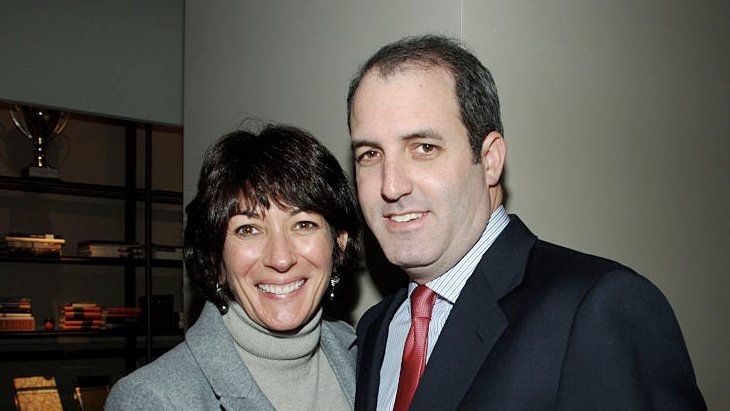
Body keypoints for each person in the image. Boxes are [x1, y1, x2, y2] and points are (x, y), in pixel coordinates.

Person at [348, 34, 706, 410]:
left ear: (490, 160)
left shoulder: (598, 309)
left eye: (424, 148)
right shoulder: (377, 329)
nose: (390, 186)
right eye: (370, 154)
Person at [105, 124, 361, 410]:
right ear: (215, 258)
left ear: (339, 244)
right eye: (248, 229)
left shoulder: (365, 357)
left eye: (303, 224)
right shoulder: (151, 399)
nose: (280, 258)